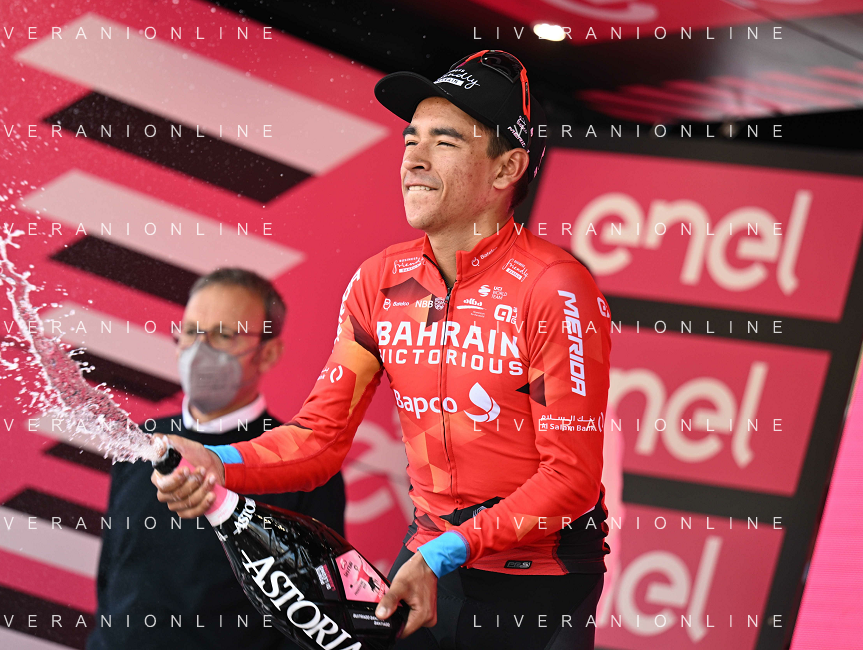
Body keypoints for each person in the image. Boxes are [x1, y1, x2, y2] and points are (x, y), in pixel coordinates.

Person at [152, 50, 612, 650]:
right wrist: (221, 462)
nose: (414, 159)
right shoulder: (380, 282)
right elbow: (319, 437)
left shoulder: (556, 287)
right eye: (411, 140)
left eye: (444, 142)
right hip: (429, 562)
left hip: (537, 586)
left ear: (507, 168)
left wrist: (445, 552)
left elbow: (570, 478)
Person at [89, 268, 347, 650]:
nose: (200, 349)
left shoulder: (300, 464)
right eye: (191, 331)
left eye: (224, 335)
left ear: (268, 353)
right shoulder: (142, 444)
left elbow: (317, 614)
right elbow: (113, 573)